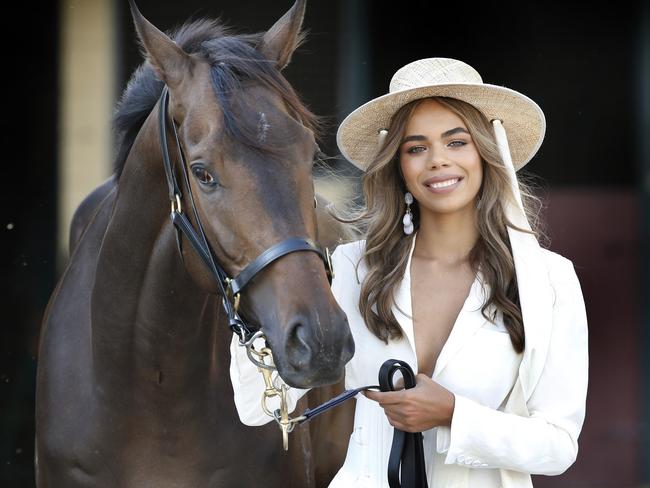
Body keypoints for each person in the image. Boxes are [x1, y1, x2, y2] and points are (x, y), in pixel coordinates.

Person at [229, 57, 588, 488]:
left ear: (486, 151)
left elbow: (558, 445)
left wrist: (454, 414)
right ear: (398, 165)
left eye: (457, 142)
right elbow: (260, 408)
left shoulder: (548, 280)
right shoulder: (351, 267)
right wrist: (255, 292)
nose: (437, 160)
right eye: (416, 148)